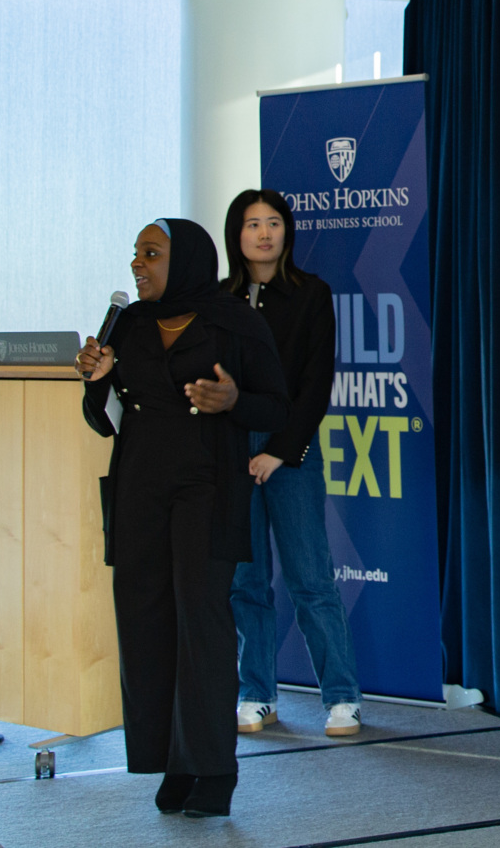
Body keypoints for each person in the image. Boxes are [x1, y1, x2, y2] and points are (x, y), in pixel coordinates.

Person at [77, 219, 287, 819]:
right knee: (145, 621)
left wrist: (234, 403)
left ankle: (215, 767)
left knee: (202, 622)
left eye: (151, 253)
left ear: (188, 259)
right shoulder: (129, 324)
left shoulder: (233, 320)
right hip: (139, 484)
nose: (137, 265)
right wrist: (96, 381)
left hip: (206, 485)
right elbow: (103, 415)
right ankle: (171, 760)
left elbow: (276, 402)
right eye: (134, 254)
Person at [222, 188, 363, 738]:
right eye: (253, 223)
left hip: (292, 449)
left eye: (274, 222)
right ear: (237, 234)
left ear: (287, 231)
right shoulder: (219, 300)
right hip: (231, 450)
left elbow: (315, 383)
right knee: (246, 580)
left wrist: (279, 450)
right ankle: (257, 693)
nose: (264, 233)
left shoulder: (311, 294)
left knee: (311, 578)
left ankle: (343, 697)